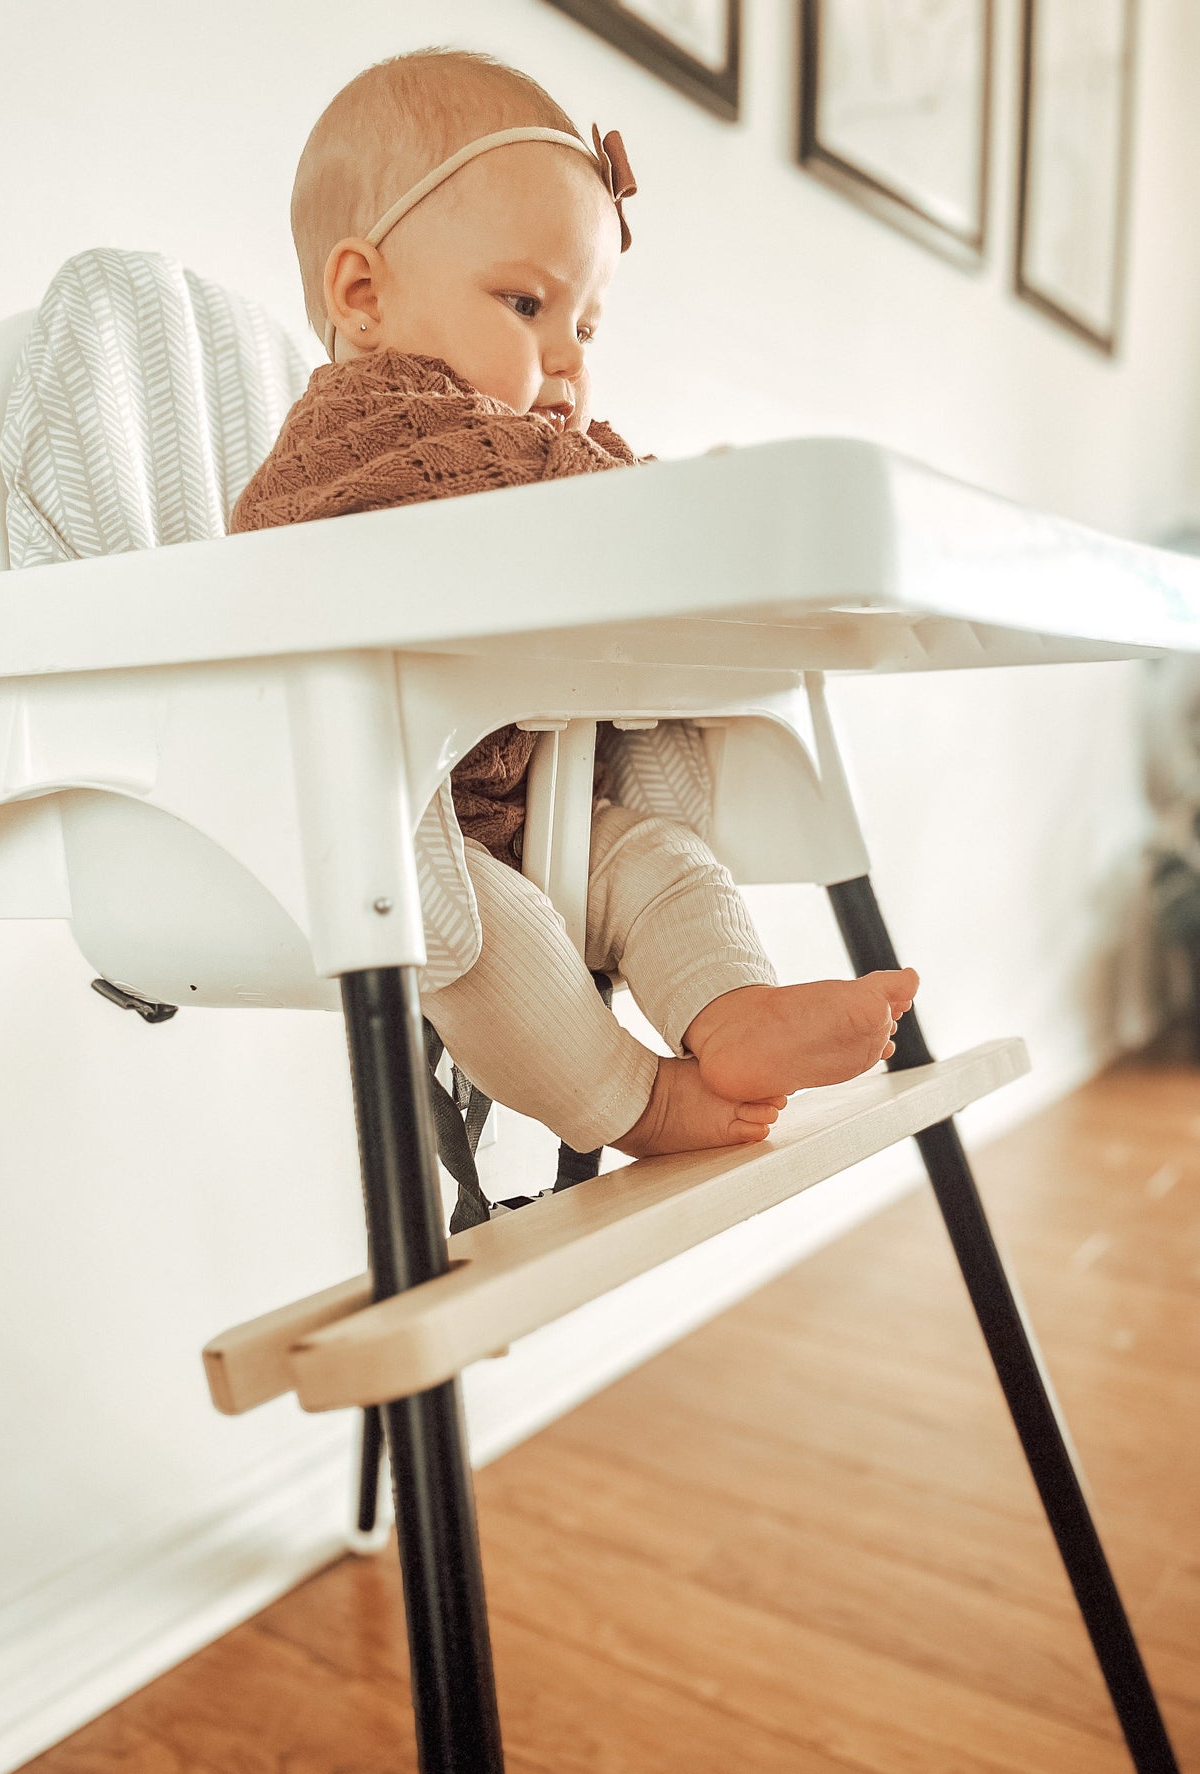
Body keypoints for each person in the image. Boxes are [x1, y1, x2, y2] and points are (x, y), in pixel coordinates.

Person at [235, 46, 918, 1158]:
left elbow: (556, 510)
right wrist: (679, 506)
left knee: (655, 858)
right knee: (480, 932)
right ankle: (638, 1097)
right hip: (367, 832)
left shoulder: (514, 447)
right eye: (524, 302)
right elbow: (520, 489)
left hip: (514, 813)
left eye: (585, 326)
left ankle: (731, 1011)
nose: (564, 355)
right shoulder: (368, 428)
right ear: (361, 295)